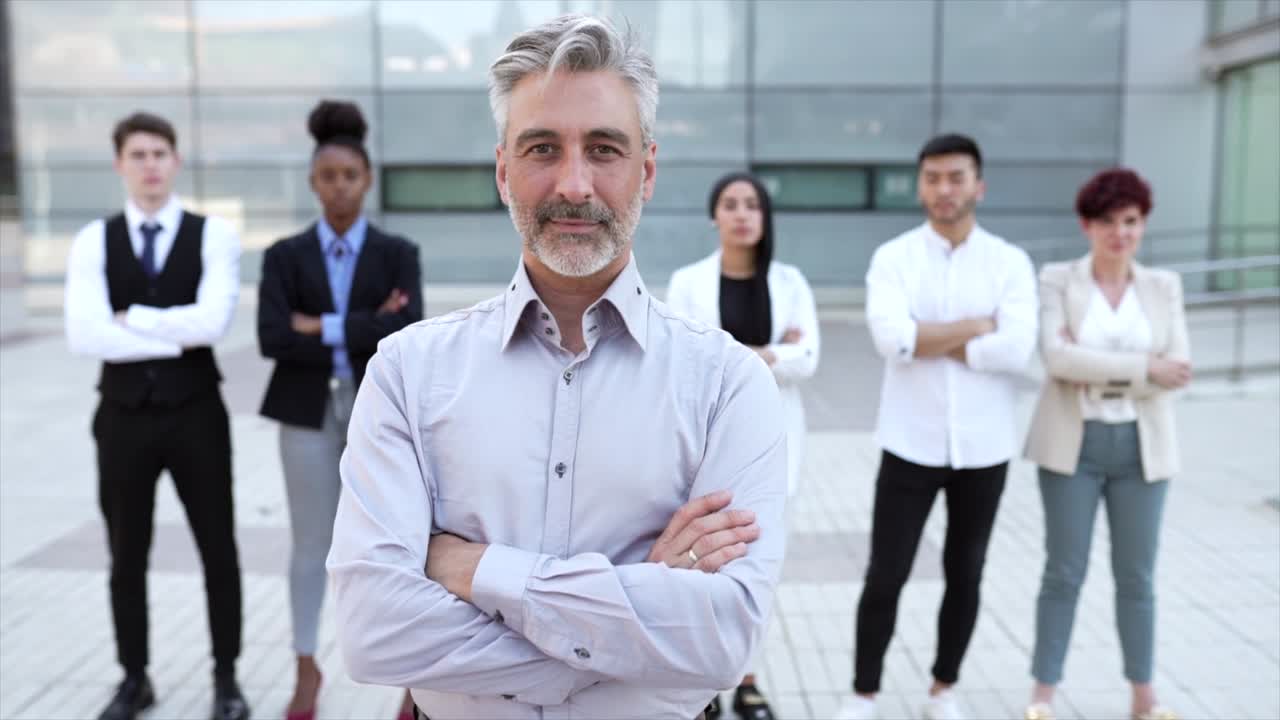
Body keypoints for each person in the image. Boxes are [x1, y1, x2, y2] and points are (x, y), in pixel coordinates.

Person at [325, 14, 787, 720]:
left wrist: (472, 568)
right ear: (503, 171)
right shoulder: (406, 374)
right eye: (543, 148)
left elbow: (723, 640)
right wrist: (633, 613)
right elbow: (374, 634)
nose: (574, 184)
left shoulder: (728, 383)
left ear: (647, 171)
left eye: (603, 149)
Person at [835, 134, 1038, 720]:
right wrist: (976, 326)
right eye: (933, 178)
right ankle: (863, 694)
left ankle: (943, 689)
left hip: (985, 447)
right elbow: (891, 339)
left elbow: (1017, 349)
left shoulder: (1009, 262)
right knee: (886, 573)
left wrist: (929, 337)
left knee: (966, 573)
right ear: (920, 186)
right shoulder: (894, 258)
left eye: (956, 177)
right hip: (910, 442)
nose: (944, 189)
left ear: (979, 185)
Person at [64, 112, 249, 720]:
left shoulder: (213, 235)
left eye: (159, 153)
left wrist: (133, 320)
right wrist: (173, 333)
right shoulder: (94, 240)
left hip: (197, 414)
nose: (150, 165)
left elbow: (213, 323)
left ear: (176, 161)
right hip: (122, 417)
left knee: (218, 548)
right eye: (138, 155)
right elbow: (84, 335)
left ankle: (226, 680)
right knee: (126, 554)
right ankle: (134, 677)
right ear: (120, 164)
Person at [257, 99, 424, 720]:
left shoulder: (397, 253)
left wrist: (319, 325)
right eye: (328, 176)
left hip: (376, 413)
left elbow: (405, 330)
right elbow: (273, 337)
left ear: (368, 179)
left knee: (397, 542)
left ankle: (414, 678)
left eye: (350, 175)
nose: (340, 187)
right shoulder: (283, 256)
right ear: (312, 181)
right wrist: (363, 323)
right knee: (310, 545)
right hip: (305, 412)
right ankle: (306, 666)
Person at [1021, 168, 1189, 720]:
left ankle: (1144, 695)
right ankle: (1043, 694)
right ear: (1086, 225)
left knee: (1137, 577)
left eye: (1131, 221)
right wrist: (1144, 367)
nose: (1120, 233)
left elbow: (1178, 368)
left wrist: (1092, 366)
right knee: (1063, 572)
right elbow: (1057, 359)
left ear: (1144, 224)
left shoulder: (1163, 287)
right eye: (1108, 222)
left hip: (1143, 449)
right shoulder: (1057, 280)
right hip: (1073, 446)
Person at [667, 171, 820, 720]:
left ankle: (749, 681)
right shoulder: (688, 283)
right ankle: (705, 681)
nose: (741, 214)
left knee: (760, 567)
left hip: (776, 444)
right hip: (708, 447)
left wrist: (740, 355)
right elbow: (685, 363)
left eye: (751, 204)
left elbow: (809, 358)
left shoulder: (790, 282)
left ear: (764, 216)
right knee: (706, 565)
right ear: (715, 216)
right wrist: (774, 351)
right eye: (730, 204)